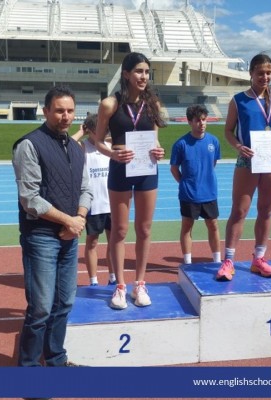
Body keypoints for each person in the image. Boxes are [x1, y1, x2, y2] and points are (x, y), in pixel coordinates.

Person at [12, 85, 93, 368]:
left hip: (70, 236)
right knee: (41, 308)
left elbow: (86, 189)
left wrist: (79, 219)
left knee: (64, 304)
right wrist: (68, 221)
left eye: (70, 111)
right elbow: (30, 200)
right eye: (59, 110)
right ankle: (30, 369)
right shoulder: (29, 145)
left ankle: (56, 360)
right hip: (41, 237)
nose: (65, 116)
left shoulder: (76, 148)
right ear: (45, 111)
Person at [93, 52, 166, 309]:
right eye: (138, 71)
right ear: (126, 74)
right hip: (120, 169)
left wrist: (159, 151)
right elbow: (97, 141)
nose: (143, 76)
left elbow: (155, 140)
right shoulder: (110, 105)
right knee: (120, 230)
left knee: (144, 229)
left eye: (146, 71)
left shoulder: (152, 104)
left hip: (147, 168)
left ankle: (140, 283)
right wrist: (113, 152)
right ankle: (120, 286)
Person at [215, 53, 271, 282]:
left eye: (268, 73)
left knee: (266, 211)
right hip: (248, 160)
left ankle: (259, 259)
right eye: (260, 73)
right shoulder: (238, 100)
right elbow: (228, 130)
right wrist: (238, 146)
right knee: (239, 211)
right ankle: (228, 261)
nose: (264, 77)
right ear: (251, 74)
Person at [170, 104, 222, 265]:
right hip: (189, 194)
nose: (202, 123)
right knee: (187, 226)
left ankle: (217, 261)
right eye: (198, 120)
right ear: (190, 122)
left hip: (209, 192)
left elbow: (212, 163)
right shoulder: (181, 144)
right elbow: (174, 169)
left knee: (213, 225)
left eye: (204, 120)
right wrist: (186, 183)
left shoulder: (214, 141)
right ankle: (187, 262)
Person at [71, 113, 116, 286]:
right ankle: (93, 280)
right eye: (99, 130)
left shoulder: (110, 145)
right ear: (90, 130)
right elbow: (67, 144)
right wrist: (81, 131)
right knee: (92, 243)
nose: (103, 133)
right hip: (93, 205)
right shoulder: (83, 148)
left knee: (113, 243)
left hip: (111, 203)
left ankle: (113, 277)